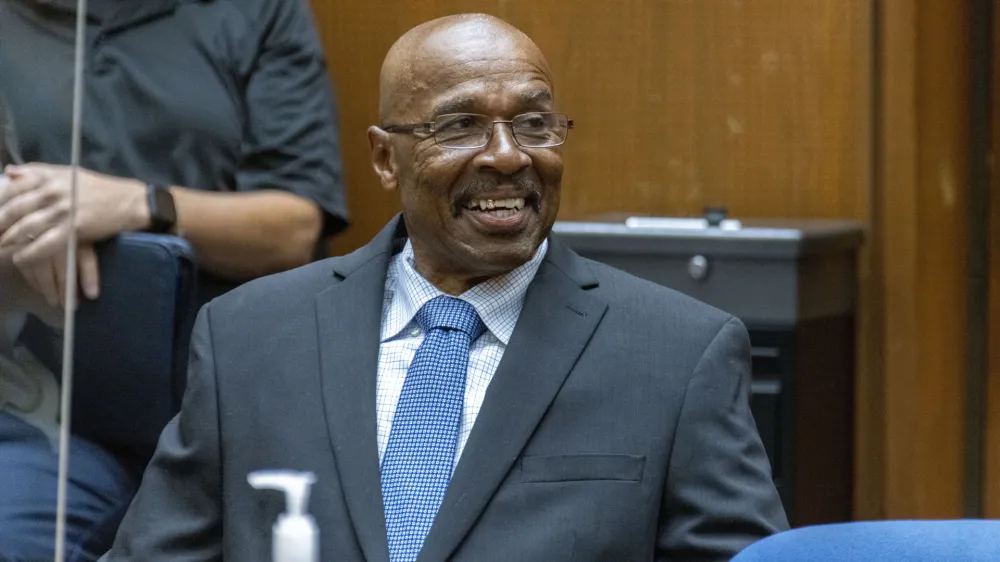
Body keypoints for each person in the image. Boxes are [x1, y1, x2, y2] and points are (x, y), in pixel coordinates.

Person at [101, 13, 787, 561]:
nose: (507, 154)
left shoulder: (676, 354)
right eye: (459, 126)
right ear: (383, 158)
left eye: (534, 123)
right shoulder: (248, 337)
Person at [0, 0, 348, 559]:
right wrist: (23, 225)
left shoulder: (256, 12)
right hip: (51, 419)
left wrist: (143, 203)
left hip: (231, 410)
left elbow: (295, 229)